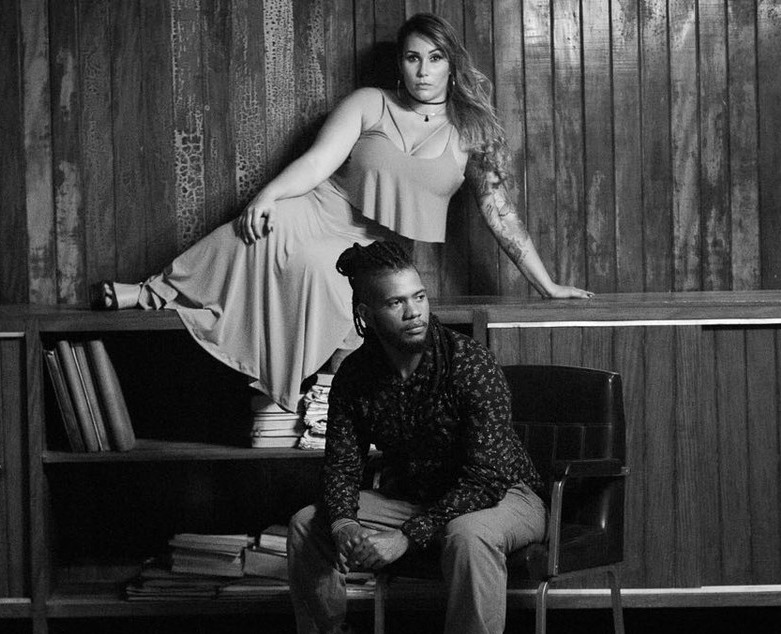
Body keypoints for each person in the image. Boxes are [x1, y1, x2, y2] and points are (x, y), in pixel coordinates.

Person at [91, 13, 591, 412]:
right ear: (400, 65)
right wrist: (266, 196)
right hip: (319, 208)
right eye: (413, 58)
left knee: (323, 272)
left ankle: (306, 398)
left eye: (435, 58)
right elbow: (316, 163)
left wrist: (546, 285)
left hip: (373, 246)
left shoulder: (472, 133)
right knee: (259, 228)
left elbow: (500, 214)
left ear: (451, 65)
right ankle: (153, 291)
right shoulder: (369, 102)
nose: (423, 70)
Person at [254, 240, 547, 634]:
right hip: (414, 499)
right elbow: (342, 466)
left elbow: (483, 478)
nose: (414, 312)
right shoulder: (355, 376)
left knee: (468, 533)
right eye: (395, 302)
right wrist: (344, 523)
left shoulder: (468, 363)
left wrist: (406, 538)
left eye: (419, 297)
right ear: (365, 314)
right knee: (307, 524)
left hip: (504, 495)